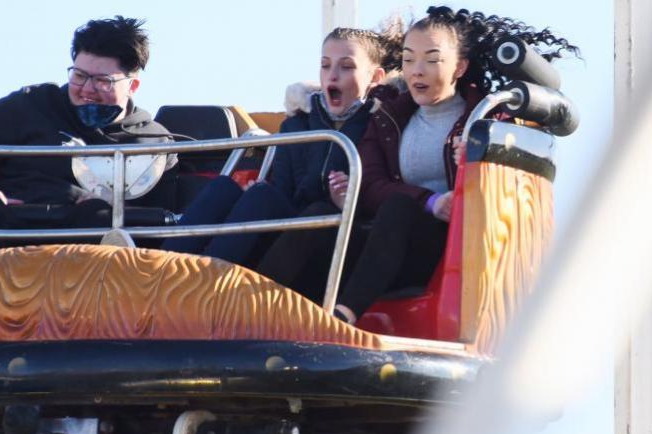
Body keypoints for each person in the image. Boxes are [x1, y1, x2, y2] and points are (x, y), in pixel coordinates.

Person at [262, 6, 578, 323]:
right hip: (386, 242)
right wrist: (429, 201)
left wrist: (471, 170)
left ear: (459, 68)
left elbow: (501, 195)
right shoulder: (388, 117)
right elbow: (371, 185)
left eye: (432, 60)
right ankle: (252, 302)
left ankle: (344, 315)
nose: (417, 70)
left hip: (443, 247)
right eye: (409, 59)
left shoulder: (483, 120)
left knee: (399, 208)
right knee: (320, 216)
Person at [0, 16, 176, 255]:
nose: (87, 90)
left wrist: (118, 206)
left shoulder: (151, 143)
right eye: (79, 76)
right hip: (11, 232)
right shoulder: (29, 106)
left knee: (101, 216)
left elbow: (157, 219)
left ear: (132, 86)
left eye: (102, 81)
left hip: (87, 247)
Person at [161, 25, 402, 268]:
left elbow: (383, 197)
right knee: (225, 187)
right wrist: (256, 194)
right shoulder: (297, 123)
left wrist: (348, 201)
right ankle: (162, 271)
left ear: (375, 77)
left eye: (347, 66)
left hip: (336, 237)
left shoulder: (381, 125)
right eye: (325, 65)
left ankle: (206, 281)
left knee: (267, 198)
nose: (333, 75)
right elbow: (283, 190)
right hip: (290, 232)